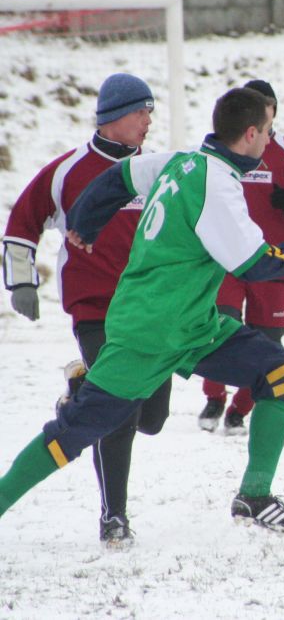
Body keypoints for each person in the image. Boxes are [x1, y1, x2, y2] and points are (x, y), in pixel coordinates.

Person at [0, 88, 284, 541]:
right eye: (269, 132)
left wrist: (86, 219)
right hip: (149, 331)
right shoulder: (216, 184)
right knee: (75, 432)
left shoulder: (183, 161)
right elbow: (255, 265)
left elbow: (119, 176)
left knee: (280, 374)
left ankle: (253, 496)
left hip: (194, 326)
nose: (271, 140)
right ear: (252, 134)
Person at [2, 73, 173, 546]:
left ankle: (82, 390)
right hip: (96, 307)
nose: (149, 120)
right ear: (116, 115)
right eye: (142, 111)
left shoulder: (160, 169)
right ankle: (113, 516)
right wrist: (21, 281)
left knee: (153, 417)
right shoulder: (68, 171)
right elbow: (22, 222)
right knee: (119, 411)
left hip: (152, 309)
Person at [198, 79, 284, 435]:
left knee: (268, 341)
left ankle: (240, 408)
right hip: (225, 262)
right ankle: (214, 396)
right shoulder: (218, 153)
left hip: (273, 262)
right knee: (217, 330)